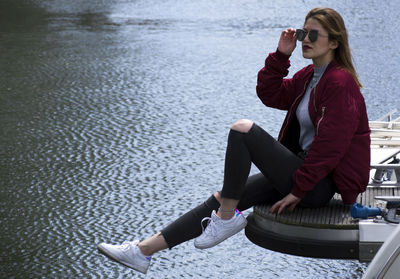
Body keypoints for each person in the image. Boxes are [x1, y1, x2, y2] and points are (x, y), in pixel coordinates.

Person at [97, 7, 370, 274]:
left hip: (318, 185)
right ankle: (142, 251)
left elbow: (330, 148)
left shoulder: (340, 83)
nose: (305, 40)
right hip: (303, 173)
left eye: (313, 34)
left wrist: (299, 190)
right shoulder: (309, 77)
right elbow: (270, 94)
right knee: (223, 197)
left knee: (243, 130)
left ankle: (226, 219)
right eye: (302, 33)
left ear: (334, 42)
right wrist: (280, 55)